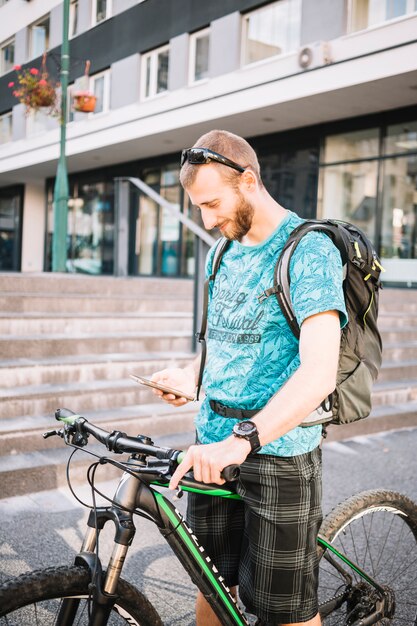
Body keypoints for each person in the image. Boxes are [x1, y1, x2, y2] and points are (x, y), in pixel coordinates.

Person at [151, 130, 347, 626]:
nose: (208, 219)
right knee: (213, 587)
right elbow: (224, 346)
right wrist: (190, 378)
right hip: (210, 450)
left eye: (213, 203)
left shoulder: (308, 251)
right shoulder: (222, 253)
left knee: (284, 613)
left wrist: (244, 440)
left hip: (277, 455)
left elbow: (320, 371)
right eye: (199, 207)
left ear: (250, 181)